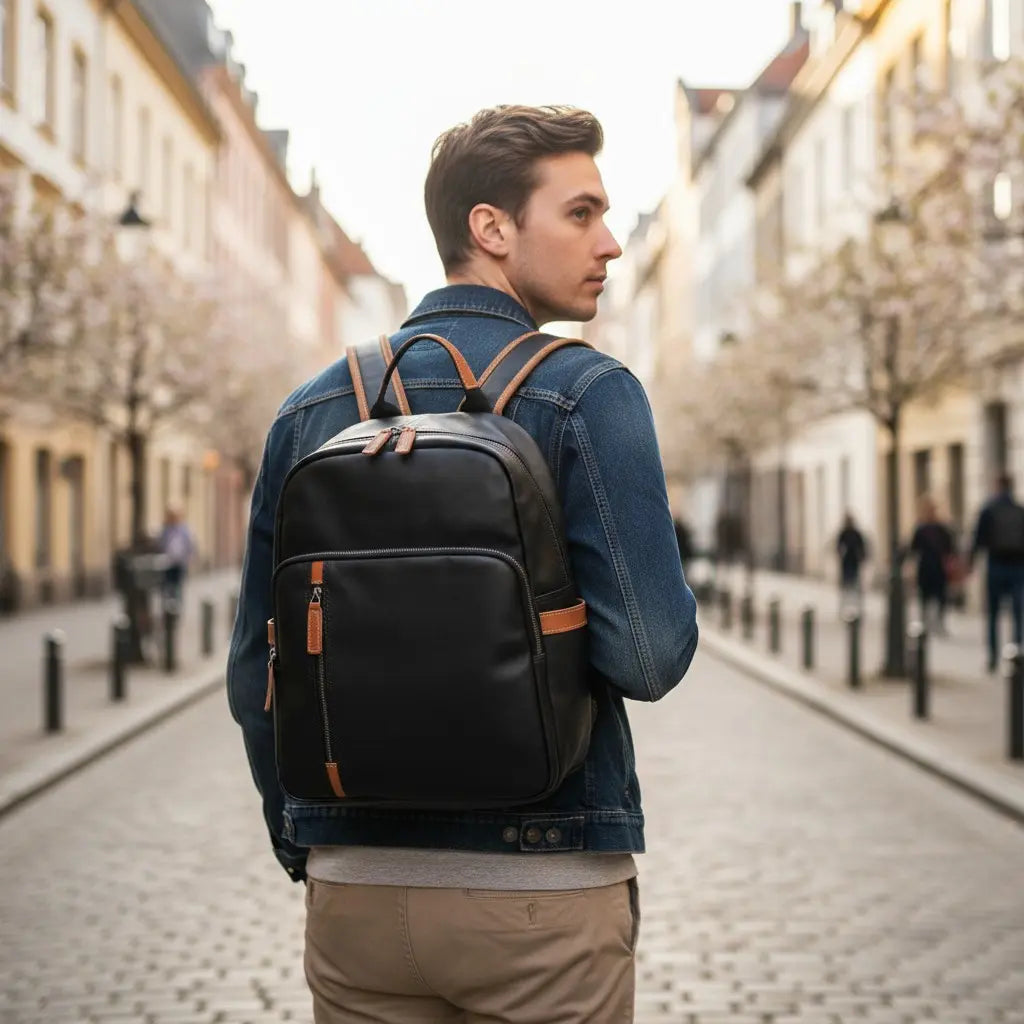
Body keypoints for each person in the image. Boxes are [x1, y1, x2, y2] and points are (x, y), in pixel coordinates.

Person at [227, 105, 698, 1022]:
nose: (609, 243)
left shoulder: (310, 413)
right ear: (491, 228)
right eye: (580, 213)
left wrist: (310, 844)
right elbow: (650, 657)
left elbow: (259, 674)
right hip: (541, 892)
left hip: (354, 896)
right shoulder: (587, 394)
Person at [970, 473, 1024, 673]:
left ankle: (993, 658)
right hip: (1018, 567)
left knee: (993, 614)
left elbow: (978, 539)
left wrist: (970, 563)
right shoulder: (1019, 510)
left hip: (996, 565)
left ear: (997, 486)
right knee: (1018, 613)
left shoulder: (989, 509)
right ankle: (1017, 654)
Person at [909, 495, 956, 636]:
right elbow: (914, 549)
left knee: (940, 596)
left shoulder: (941, 528)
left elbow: (950, 548)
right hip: (926, 566)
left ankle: (938, 622)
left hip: (938, 566)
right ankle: (926, 622)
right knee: (925, 596)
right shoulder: (921, 528)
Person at [158, 506, 195, 606]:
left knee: (178, 585)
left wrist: (189, 559)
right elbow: (161, 544)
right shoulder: (165, 530)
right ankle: (168, 607)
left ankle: (177, 607)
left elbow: (190, 545)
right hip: (167, 562)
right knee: (167, 585)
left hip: (180, 562)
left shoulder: (184, 530)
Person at [835, 512, 868, 615]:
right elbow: (838, 546)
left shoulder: (855, 533)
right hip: (847, 562)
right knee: (846, 586)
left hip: (853, 561)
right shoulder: (844, 533)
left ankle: (857, 607)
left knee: (855, 586)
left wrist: (861, 557)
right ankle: (844, 607)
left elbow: (862, 547)